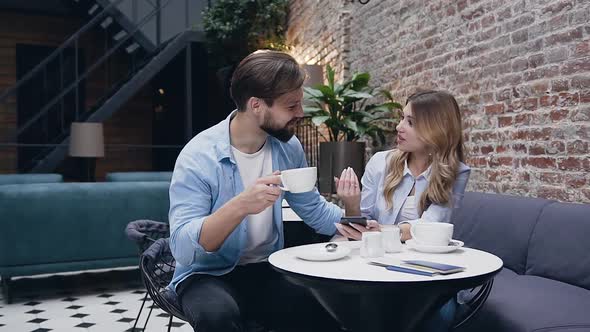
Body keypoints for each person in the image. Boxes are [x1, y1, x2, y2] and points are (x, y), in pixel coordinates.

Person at [167, 50, 343, 332]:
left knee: (327, 307)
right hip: (206, 274)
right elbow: (184, 249)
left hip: (265, 268)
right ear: (257, 105)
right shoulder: (199, 157)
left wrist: (355, 222)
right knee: (217, 316)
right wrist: (241, 205)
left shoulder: (287, 146)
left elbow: (313, 207)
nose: (300, 113)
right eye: (291, 106)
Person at [334, 90, 471, 331]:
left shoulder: (455, 172)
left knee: (440, 314)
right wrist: (351, 203)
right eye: (402, 118)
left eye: (410, 122)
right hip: (376, 266)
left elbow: (432, 226)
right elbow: (362, 220)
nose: (399, 127)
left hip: (424, 272)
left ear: (435, 128)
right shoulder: (381, 162)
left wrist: (384, 231)